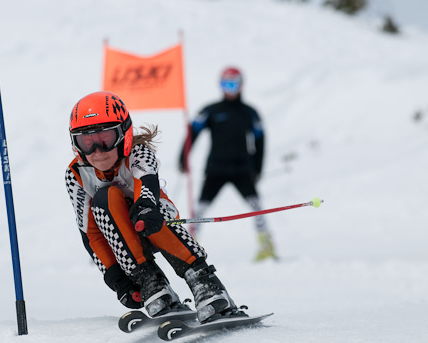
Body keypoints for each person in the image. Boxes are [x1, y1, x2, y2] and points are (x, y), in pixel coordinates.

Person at [64, 91, 247, 322]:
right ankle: (151, 281)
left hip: (157, 223)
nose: (97, 152)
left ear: (124, 134)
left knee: (147, 210)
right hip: (123, 241)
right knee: (103, 200)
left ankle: (202, 279)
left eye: (105, 139)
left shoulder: (138, 154)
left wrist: (146, 209)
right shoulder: (76, 175)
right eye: (86, 142)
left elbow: (147, 189)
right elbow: (90, 234)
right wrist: (117, 280)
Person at [179, 67, 277, 261]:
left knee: (257, 206)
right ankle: (187, 248)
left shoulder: (250, 113)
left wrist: (257, 168)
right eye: (226, 84)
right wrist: (183, 158)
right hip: (216, 169)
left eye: (234, 84)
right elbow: (193, 132)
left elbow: (260, 140)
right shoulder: (211, 110)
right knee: (200, 209)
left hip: (243, 169)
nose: (230, 89)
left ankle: (267, 246)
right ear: (220, 86)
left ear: (241, 85)